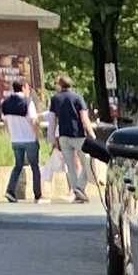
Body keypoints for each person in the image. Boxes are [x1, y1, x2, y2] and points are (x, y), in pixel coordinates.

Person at [47, 73, 92, 203]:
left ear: (61, 85)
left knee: (70, 166)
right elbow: (84, 118)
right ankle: (80, 187)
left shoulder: (55, 99)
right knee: (87, 163)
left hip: (63, 136)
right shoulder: (78, 98)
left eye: (56, 83)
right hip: (78, 135)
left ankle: (77, 191)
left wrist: (53, 138)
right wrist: (92, 134)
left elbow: (52, 121)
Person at [0, 78, 45, 205]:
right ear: (24, 87)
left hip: (15, 140)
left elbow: (6, 123)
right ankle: (38, 195)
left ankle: (10, 190)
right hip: (29, 139)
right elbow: (33, 121)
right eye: (28, 88)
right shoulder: (27, 102)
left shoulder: (6, 103)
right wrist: (37, 135)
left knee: (18, 165)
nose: (29, 90)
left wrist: (11, 134)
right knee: (35, 167)